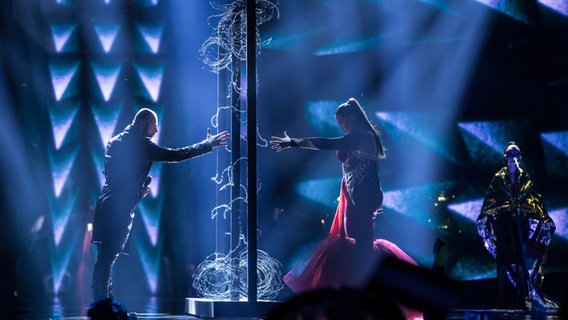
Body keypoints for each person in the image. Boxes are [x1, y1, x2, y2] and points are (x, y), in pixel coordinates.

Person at [270, 98, 421, 320]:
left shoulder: (362, 137)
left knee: (359, 248)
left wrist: (293, 142)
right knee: (356, 246)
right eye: (340, 124)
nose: (342, 127)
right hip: (358, 196)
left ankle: (368, 299)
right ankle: (363, 297)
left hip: (363, 196)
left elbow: (326, 143)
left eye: (343, 123)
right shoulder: (358, 138)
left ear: (353, 119)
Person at [91, 108, 229, 300]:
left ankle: (105, 304)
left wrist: (136, 189)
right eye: (154, 126)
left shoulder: (115, 141)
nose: (156, 131)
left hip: (106, 203)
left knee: (106, 257)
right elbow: (176, 155)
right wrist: (207, 144)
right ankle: (101, 305)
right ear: (143, 124)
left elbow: (112, 175)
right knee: (107, 258)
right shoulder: (141, 145)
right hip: (118, 207)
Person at [476, 141, 556, 310]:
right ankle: (502, 299)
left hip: (521, 224)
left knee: (521, 263)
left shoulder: (525, 178)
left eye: (517, 154)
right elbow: (492, 201)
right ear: (505, 158)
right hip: (503, 224)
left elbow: (534, 200)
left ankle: (522, 300)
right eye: (512, 154)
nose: (515, 158)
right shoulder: (498, 178)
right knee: (503, 262)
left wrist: (541, 218)